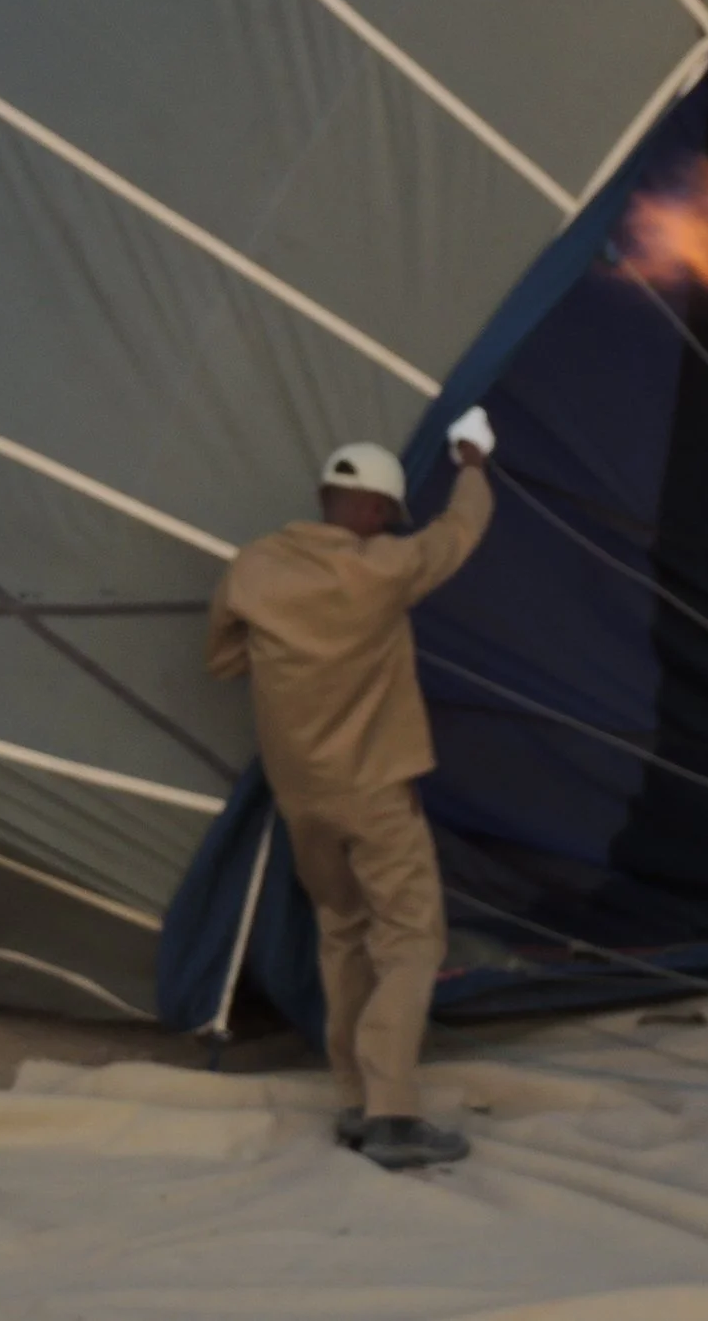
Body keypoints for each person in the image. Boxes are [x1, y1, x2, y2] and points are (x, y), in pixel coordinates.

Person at [205, 414, 494, 1170]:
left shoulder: (256, 566)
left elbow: (223, 657)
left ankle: (352, 1100)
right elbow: (460, 531)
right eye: (386, 516)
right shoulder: (384, 568)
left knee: (341, 932)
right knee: (410, 940)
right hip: (374, 788)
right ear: (372, 510)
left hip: (301, 794)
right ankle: (393, 1111)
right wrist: (471, 463)